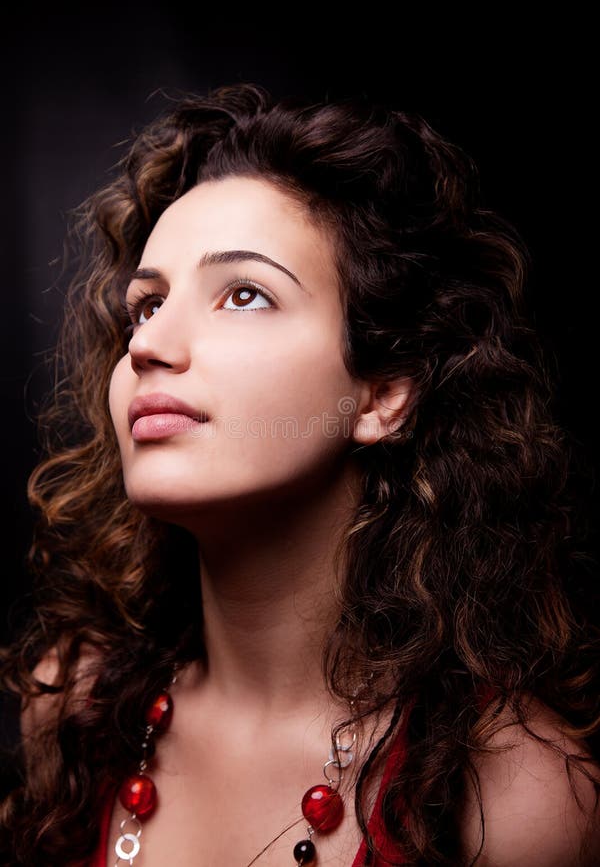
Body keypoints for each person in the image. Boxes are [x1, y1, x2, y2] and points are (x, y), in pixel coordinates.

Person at [0, 81, 598, 866]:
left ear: (383, 393)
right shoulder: (73, 707)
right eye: (143, 307)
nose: (147, 345)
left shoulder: (513, 795)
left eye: (244, 294)